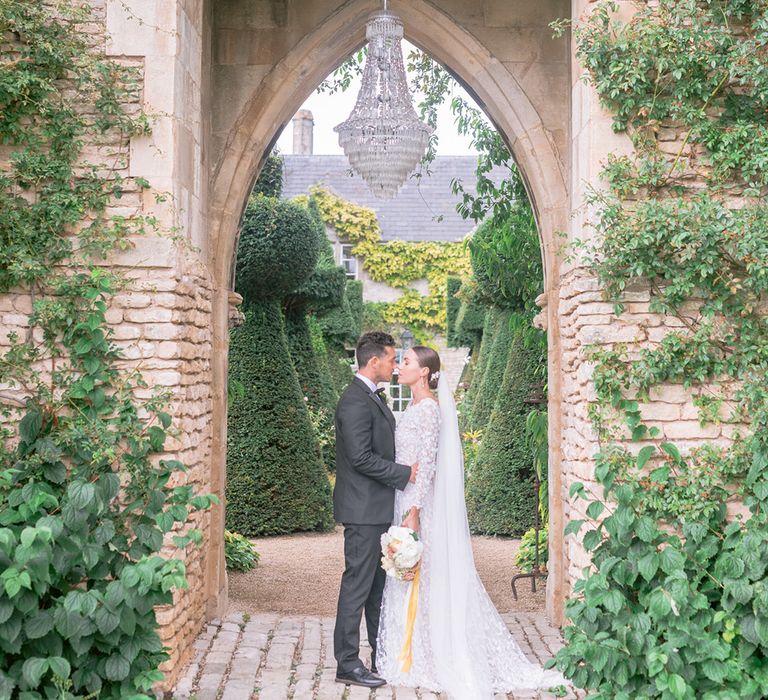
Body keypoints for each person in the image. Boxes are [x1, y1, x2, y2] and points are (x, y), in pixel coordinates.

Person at [376, 346, 566, 698]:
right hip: (403, 497)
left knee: (428, 573)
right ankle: (413, 653)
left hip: (418, 504)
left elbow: (429, 464)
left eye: (406, 362)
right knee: (414, 576)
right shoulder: (412, 405)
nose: (399, 366)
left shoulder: (430, 409)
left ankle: (433, 654)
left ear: (424, 373)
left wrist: (415, 511)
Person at [333, 331, 419, 689]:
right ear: (373, 362)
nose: (395, 364)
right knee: (357, 585)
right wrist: (405, 474)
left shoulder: (372, 397)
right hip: (362, 510)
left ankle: (378, 654)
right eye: (391, 358)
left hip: (377, 508)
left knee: (376, 588)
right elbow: (360, 458)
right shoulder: (354, 401)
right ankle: (347, 664)